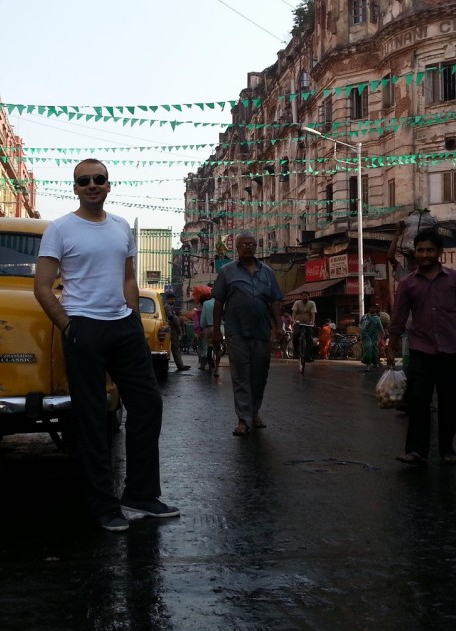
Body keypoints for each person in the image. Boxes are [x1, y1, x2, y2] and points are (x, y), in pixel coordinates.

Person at [34, 158, 179, 532]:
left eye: (99, 179)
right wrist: (68, 326)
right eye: (84, 180)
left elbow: (128, 277)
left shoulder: (120, 228)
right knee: (92, 417)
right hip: (83, 327)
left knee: (147, 405)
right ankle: (103, 505)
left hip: (123, 327)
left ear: (109, 185)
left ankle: (141, 495)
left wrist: (132, 315)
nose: (92, 185)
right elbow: (42, 286)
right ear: (76, 187)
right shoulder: (61, 229)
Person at [385, 230, 456, 466]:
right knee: (418, 401)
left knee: (448, 402)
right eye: (420, 250)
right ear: (415, 253)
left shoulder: (455, 279)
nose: (425, 255)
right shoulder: (408, 283)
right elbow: (398, 318)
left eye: (429, 250)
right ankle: (417, 450)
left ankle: (447, 449)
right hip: (420, 348)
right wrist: (391, 347)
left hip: (451, 348)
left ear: (439, 252)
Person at [212, 232, 284, 436]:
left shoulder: (268, 272)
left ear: (256, 247)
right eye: (243, 244)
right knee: (241, 375)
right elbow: (218, 302)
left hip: (262, 332)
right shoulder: (227, 272)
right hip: (237, 332)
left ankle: (254, 412)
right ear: (236, 248)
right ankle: (243, 419)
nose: (248, 247)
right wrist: (217, 330)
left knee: (259, 375)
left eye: (251, 244)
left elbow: (274, 302)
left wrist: (279, 326)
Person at [165, 293, 191, 371]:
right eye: (171, 299)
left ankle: (181, 365)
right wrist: (179, 329)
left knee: (176, 348)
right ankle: (180, 366)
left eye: (173, 299)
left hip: (173, 329)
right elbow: (172, 319)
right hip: (172, 330)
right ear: (167, 299)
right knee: (175, 348)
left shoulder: (170, 307)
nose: (173, 301)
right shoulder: (167, 307)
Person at [290, 291, 317, 362]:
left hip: (308, 323)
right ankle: (296, 352)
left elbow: (313, 314)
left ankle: (308, 355)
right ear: (301, 297)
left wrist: (312, 322)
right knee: (295, 335)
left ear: (309, 297)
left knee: (310, 338)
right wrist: (293, 320)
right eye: (303, 296)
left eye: (306, 296)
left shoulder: (312, 303)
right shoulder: (297, 303)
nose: (305, 297)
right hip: (298, 322)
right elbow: (294, 313)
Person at [359, 304, 384, 370]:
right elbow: (361, 325)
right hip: (366, 336)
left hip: (374, 337)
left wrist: (383, 333)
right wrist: (360, 333)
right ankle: (368, 365)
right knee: (369, 348)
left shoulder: (377, 318)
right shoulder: (365, 317)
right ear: (369, 308)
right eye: (372, 308)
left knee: (375, 350)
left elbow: (380, 326)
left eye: (374, 308)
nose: (373, 309)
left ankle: (375, 363)